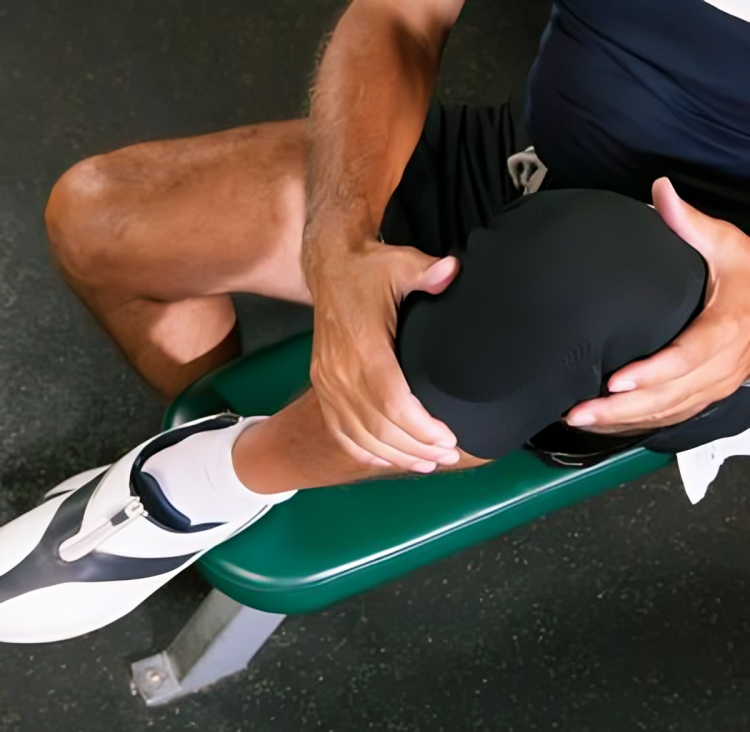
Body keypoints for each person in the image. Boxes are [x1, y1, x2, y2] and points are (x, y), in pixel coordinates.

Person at [1, 0, 749, 641]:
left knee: (587, 271)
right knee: (103, 218)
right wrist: (339, 244)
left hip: (693, 297)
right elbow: (401, 14)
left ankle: (205, 485)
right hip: (519, 164)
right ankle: (271, 447)